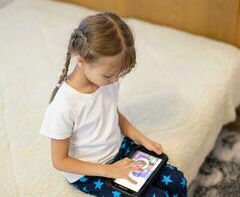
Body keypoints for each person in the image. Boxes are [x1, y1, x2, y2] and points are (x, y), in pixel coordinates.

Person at [39, 11, 187, 197]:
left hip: (119, 149)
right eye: (109, 75)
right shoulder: (64, 106)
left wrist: (143, 140)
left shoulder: (107, 82)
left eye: (119, 74)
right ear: (82, 61)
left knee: (178, 181)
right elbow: (59, 161)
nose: (115, 80)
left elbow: (112, 114)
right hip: (88, 172)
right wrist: (110, 171)